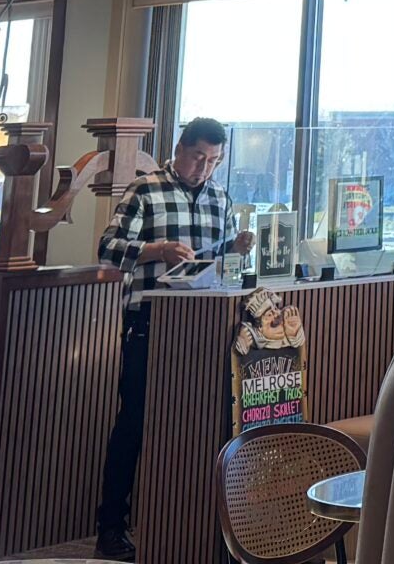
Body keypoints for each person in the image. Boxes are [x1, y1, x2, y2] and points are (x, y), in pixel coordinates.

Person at [94, 116, 254, 561]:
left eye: (214, 161)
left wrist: (235, 248)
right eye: (199, 157)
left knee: (193, 426)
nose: (205, 168)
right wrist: (157, 250)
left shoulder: (220, 198)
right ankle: (111, 527)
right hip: (149, 321)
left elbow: (214, 259)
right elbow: (107, 248)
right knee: (135, 424)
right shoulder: (146, 189)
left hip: (203, 327)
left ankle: (177, 524)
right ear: (181, 149)